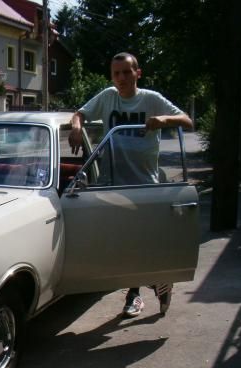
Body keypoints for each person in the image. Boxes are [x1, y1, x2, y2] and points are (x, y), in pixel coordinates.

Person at [68, 52, 193, 318]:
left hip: (143, 183)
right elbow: (79, 113)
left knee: (139, 240)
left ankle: (146, 288)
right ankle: (143, 287)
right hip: (111, 181)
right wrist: (76, 127)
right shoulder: (107, 97)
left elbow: (187, 121)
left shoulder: (150, 99)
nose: (121, 78)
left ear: (138, 73)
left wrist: (164, 120)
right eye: (116, 73)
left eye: (127, 72)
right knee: (117, 240)